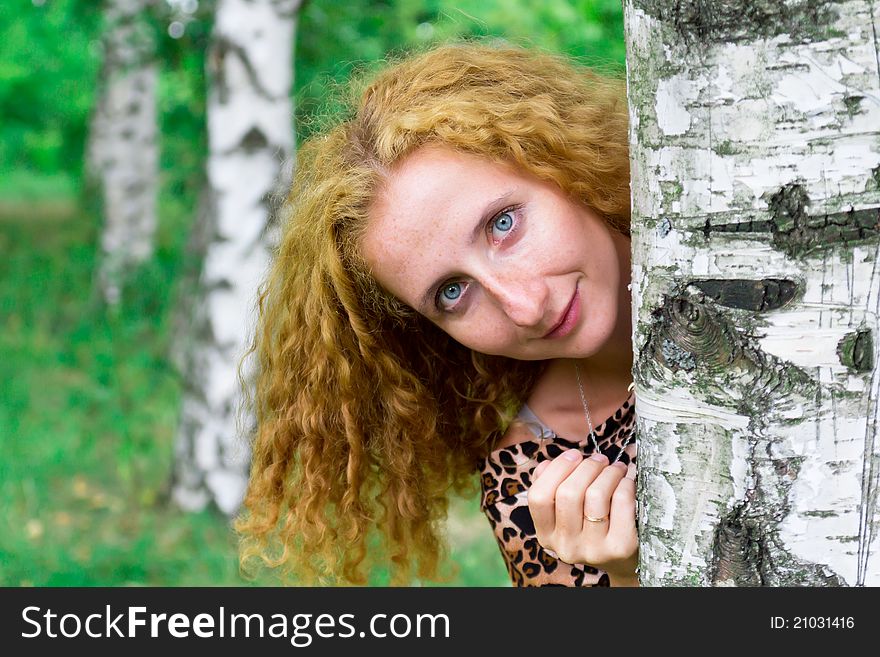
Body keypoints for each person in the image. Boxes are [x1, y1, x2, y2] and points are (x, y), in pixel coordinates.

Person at [235, 41, 638, 587]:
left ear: (563, 164)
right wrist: (634, 577)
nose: (524, 306)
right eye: (452, 293)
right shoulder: (532, 479)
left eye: (503, 225)